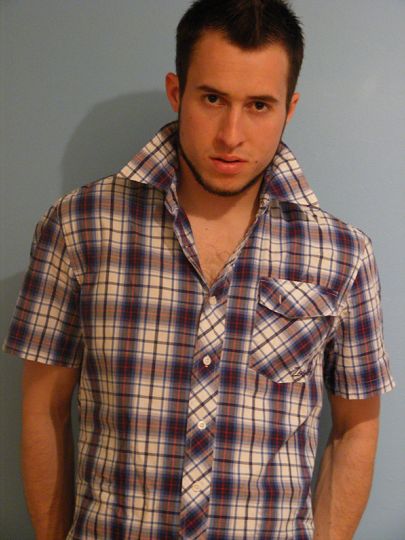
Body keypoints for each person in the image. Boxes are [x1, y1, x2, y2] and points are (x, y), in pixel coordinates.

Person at [3, 0, 395, 538]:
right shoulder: (79, 226)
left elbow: (355, 429)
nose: (231, 135)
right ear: (177, 92)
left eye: (259, 105)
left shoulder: (343, 254)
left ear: (290, 108)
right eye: (213, 98)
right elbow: (43, 409)